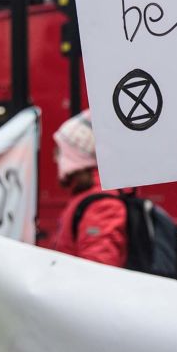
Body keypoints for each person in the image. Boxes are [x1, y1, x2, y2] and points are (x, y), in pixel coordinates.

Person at [47, 110, 129, 266]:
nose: (55, 158)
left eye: (60, 151)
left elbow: (98, 273)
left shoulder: (101, 205)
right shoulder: (87, 198)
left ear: (77, 155)